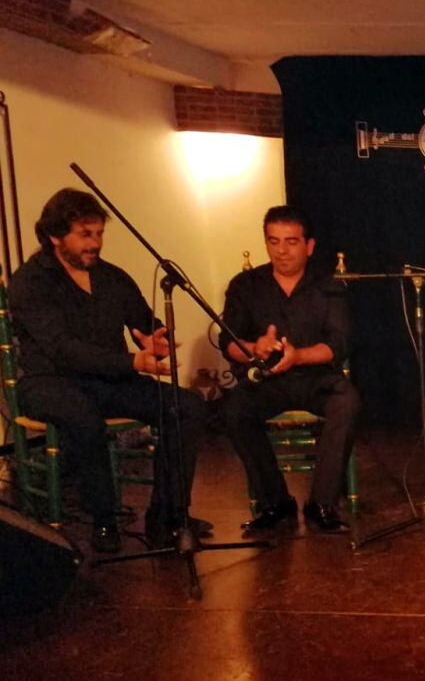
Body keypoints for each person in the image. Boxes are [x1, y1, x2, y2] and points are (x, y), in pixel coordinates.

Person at [9, 188, 208, 553]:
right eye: (85, 234)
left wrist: (156, 338)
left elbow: (144, 322)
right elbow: (62, 350)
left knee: (189, 405)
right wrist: (133, 361)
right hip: (50, 382)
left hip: (110, 379)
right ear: (55, 235)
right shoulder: (30, 282)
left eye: (99, 234)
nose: (95, 243)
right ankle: (103, 519)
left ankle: (167, 515)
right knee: (84, 418)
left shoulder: (112, 277)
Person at [220, 206, 360, 533]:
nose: (281, 250)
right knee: (233, 410)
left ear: (309, 246)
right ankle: (275, 501)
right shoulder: (245, 285)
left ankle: (322, 503)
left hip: (315, 377)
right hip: (265, 379)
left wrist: (298, 356)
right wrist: (254, 348)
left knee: (348, 401)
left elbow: (339, 344)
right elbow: (227, 341)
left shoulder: (328, 286)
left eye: (291, 241)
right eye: (273, 241)